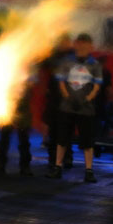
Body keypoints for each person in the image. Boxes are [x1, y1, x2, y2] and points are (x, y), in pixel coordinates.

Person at [46, 33, 102, 182]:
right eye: (80, 43)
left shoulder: (95, 64)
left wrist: (86, 99)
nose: (82, 46)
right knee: (62, 139)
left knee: (88, 141)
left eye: (85, 43)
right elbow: (61, 83)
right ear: (75, 44)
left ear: (90, 46)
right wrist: (68, 98)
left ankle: (89, 170)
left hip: (86, 108)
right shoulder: (66, 62)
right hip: (67, 107)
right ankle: (58, 167)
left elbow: (97, 86)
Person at [41, 35, 74, 169]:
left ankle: (66, 157)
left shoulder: (72, 57)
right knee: (54, 129)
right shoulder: (54, 55)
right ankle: (54, 157)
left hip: (67, 97)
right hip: (55, 97)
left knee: (66, 129)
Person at [0, 80, 34, 176]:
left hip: (17, 111)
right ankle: (23, 167)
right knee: (10, 139)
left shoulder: (22, 79)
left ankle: (3, 165)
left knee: (18, 140)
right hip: (12, 111)